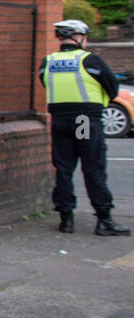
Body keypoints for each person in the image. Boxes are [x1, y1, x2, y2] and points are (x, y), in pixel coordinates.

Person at [38, 19, 130, 236]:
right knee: (92, 167)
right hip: (84, 121)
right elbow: (112, 88)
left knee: (64, 169)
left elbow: (46, 84)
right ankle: (104, 219)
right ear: (78, 37)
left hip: (60, 121)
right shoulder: (90, 60)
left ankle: (66, 219)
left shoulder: (48, 61)